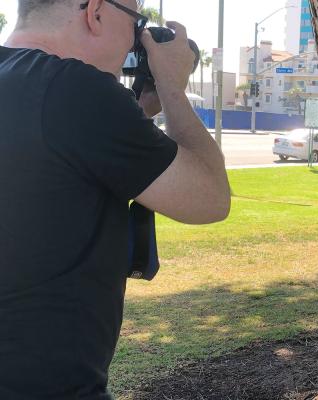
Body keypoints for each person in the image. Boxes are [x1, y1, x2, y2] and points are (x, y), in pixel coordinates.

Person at [0, 0, 230, 398]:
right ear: (95, 12)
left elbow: (56, 163)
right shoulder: (76, 90)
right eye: (136, 22)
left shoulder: (30, 85)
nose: (134, 43)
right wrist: (173, 86)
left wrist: (137, 111)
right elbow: (209, 198)